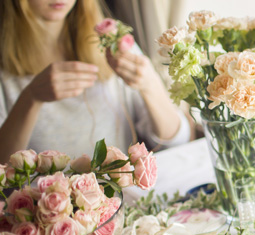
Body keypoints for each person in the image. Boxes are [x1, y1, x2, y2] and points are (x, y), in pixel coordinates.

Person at [0, 0, 190, 162]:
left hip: (122, 200)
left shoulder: (112, 43)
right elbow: (3, 173)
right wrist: (31, 98)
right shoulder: (6, 74)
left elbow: (179, 139)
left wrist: (150, 84)